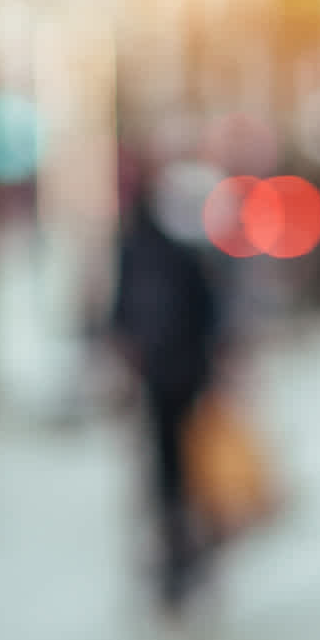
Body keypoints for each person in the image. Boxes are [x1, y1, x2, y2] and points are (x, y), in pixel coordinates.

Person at [109, 155, 223, 616]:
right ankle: (178, 560)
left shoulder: (156, 244)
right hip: (171, 376)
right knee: (173, 475)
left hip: (172, 375)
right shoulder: (161, 244)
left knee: (174, 475)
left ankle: (183, 558)